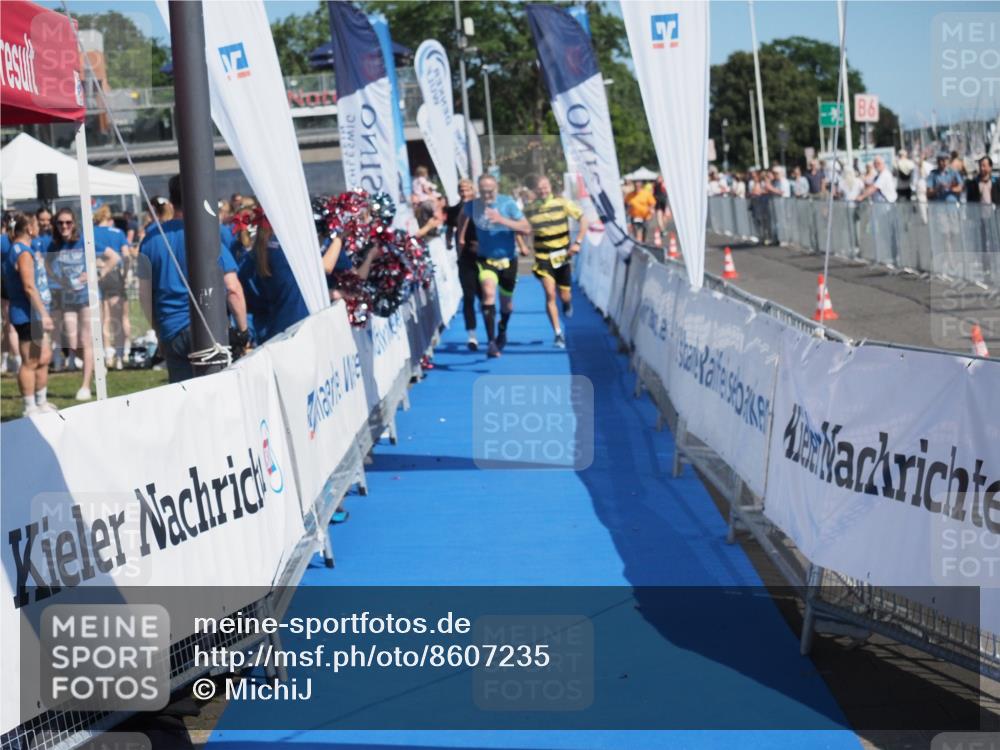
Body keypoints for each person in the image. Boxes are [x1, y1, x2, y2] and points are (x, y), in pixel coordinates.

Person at [138, 175, 249, 383]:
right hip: (208, 330)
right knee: (217, 398)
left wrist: (159, 333)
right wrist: (243, 333)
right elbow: (233, 289)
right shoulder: (207, 233)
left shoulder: (150, 240)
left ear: (171, 203)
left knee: (184, 402)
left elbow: (144, 296)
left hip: (171, 332)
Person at [48, 208, 117, 401]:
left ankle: (85, 386)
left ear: (74, 224)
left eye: (68, 222)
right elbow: (48, 267)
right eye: (60, 223)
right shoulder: (55, 244)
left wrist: (97, 274)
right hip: (68, 299)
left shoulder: (85, 241)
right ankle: (96, 363)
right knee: (71, 341)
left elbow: (114, 257)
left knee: (86, 340)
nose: (64, 226)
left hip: (88, 297)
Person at [464, 174, 532, 358]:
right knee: (488, 293)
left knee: (507, 305)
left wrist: (502, 220)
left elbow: (526, 228)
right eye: (483, 191)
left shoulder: (507, 203)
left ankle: (502, 328)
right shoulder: (472, 206)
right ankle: (491, 342)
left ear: (497, 188)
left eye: (490, 191)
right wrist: (462, 239)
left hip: (509, 259)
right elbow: (461, 219)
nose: (487, 195)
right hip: (486, 260)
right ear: (479, 189)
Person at [524, 175, 587, 348]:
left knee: (564, 294)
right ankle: (558, 333)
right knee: (550, 293)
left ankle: (566, 303)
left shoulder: (562, 203)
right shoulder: (530, 209)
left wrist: (578, 242)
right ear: (535, 191)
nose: (543, 191)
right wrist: (522, 244)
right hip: (543, 258)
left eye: (545, 187)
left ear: (550, 187)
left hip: (563, 257)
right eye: (539, 188)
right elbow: (521, 228)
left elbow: (583, 219)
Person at [4, 212, 56, 416]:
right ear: (28, 229)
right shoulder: (22, 251)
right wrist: (43, 314)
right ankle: (29, 406)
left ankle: (41, 402)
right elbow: (28, 286)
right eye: (35, 224)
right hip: (27, 314)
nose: (38, 228)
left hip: (30, 312)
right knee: (30, 361)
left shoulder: (21, 248)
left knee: (43, 357)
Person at [93, 205, 129, 370]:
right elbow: (126, 256)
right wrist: (125, 274)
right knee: (120, 317)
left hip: (98, 272)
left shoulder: (91, 232)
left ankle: (108, 354)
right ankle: (121, 356)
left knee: (105, 317)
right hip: (115, 274)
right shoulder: (118, 233)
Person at [447, 179, 481, 350]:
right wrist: (449, 243)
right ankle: (472, 334)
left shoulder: (481, 207)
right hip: (465, 258)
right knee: (469, 296)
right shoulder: (454, 210)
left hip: (482, 258)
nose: (464, 191)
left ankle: (492, 334)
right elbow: (449, 228)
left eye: (467, 188)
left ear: (473, 190)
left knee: (486, 298)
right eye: (461, 189)